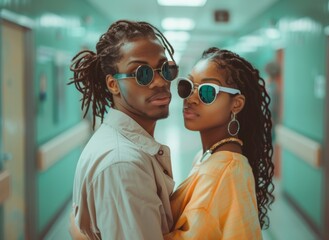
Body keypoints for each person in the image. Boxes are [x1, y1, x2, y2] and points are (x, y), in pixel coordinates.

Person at [69, 19, 179, 239]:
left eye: (164, 69)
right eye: (143, 73)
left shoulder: (123, 147)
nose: (159, 82)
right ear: (113, 84)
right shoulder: (123, 165)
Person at [163, 47, 275, 239]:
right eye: (187, 87)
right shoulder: (207, 156)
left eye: (207, 92)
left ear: (236, 104)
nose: (191, 98)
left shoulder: (227, 170)